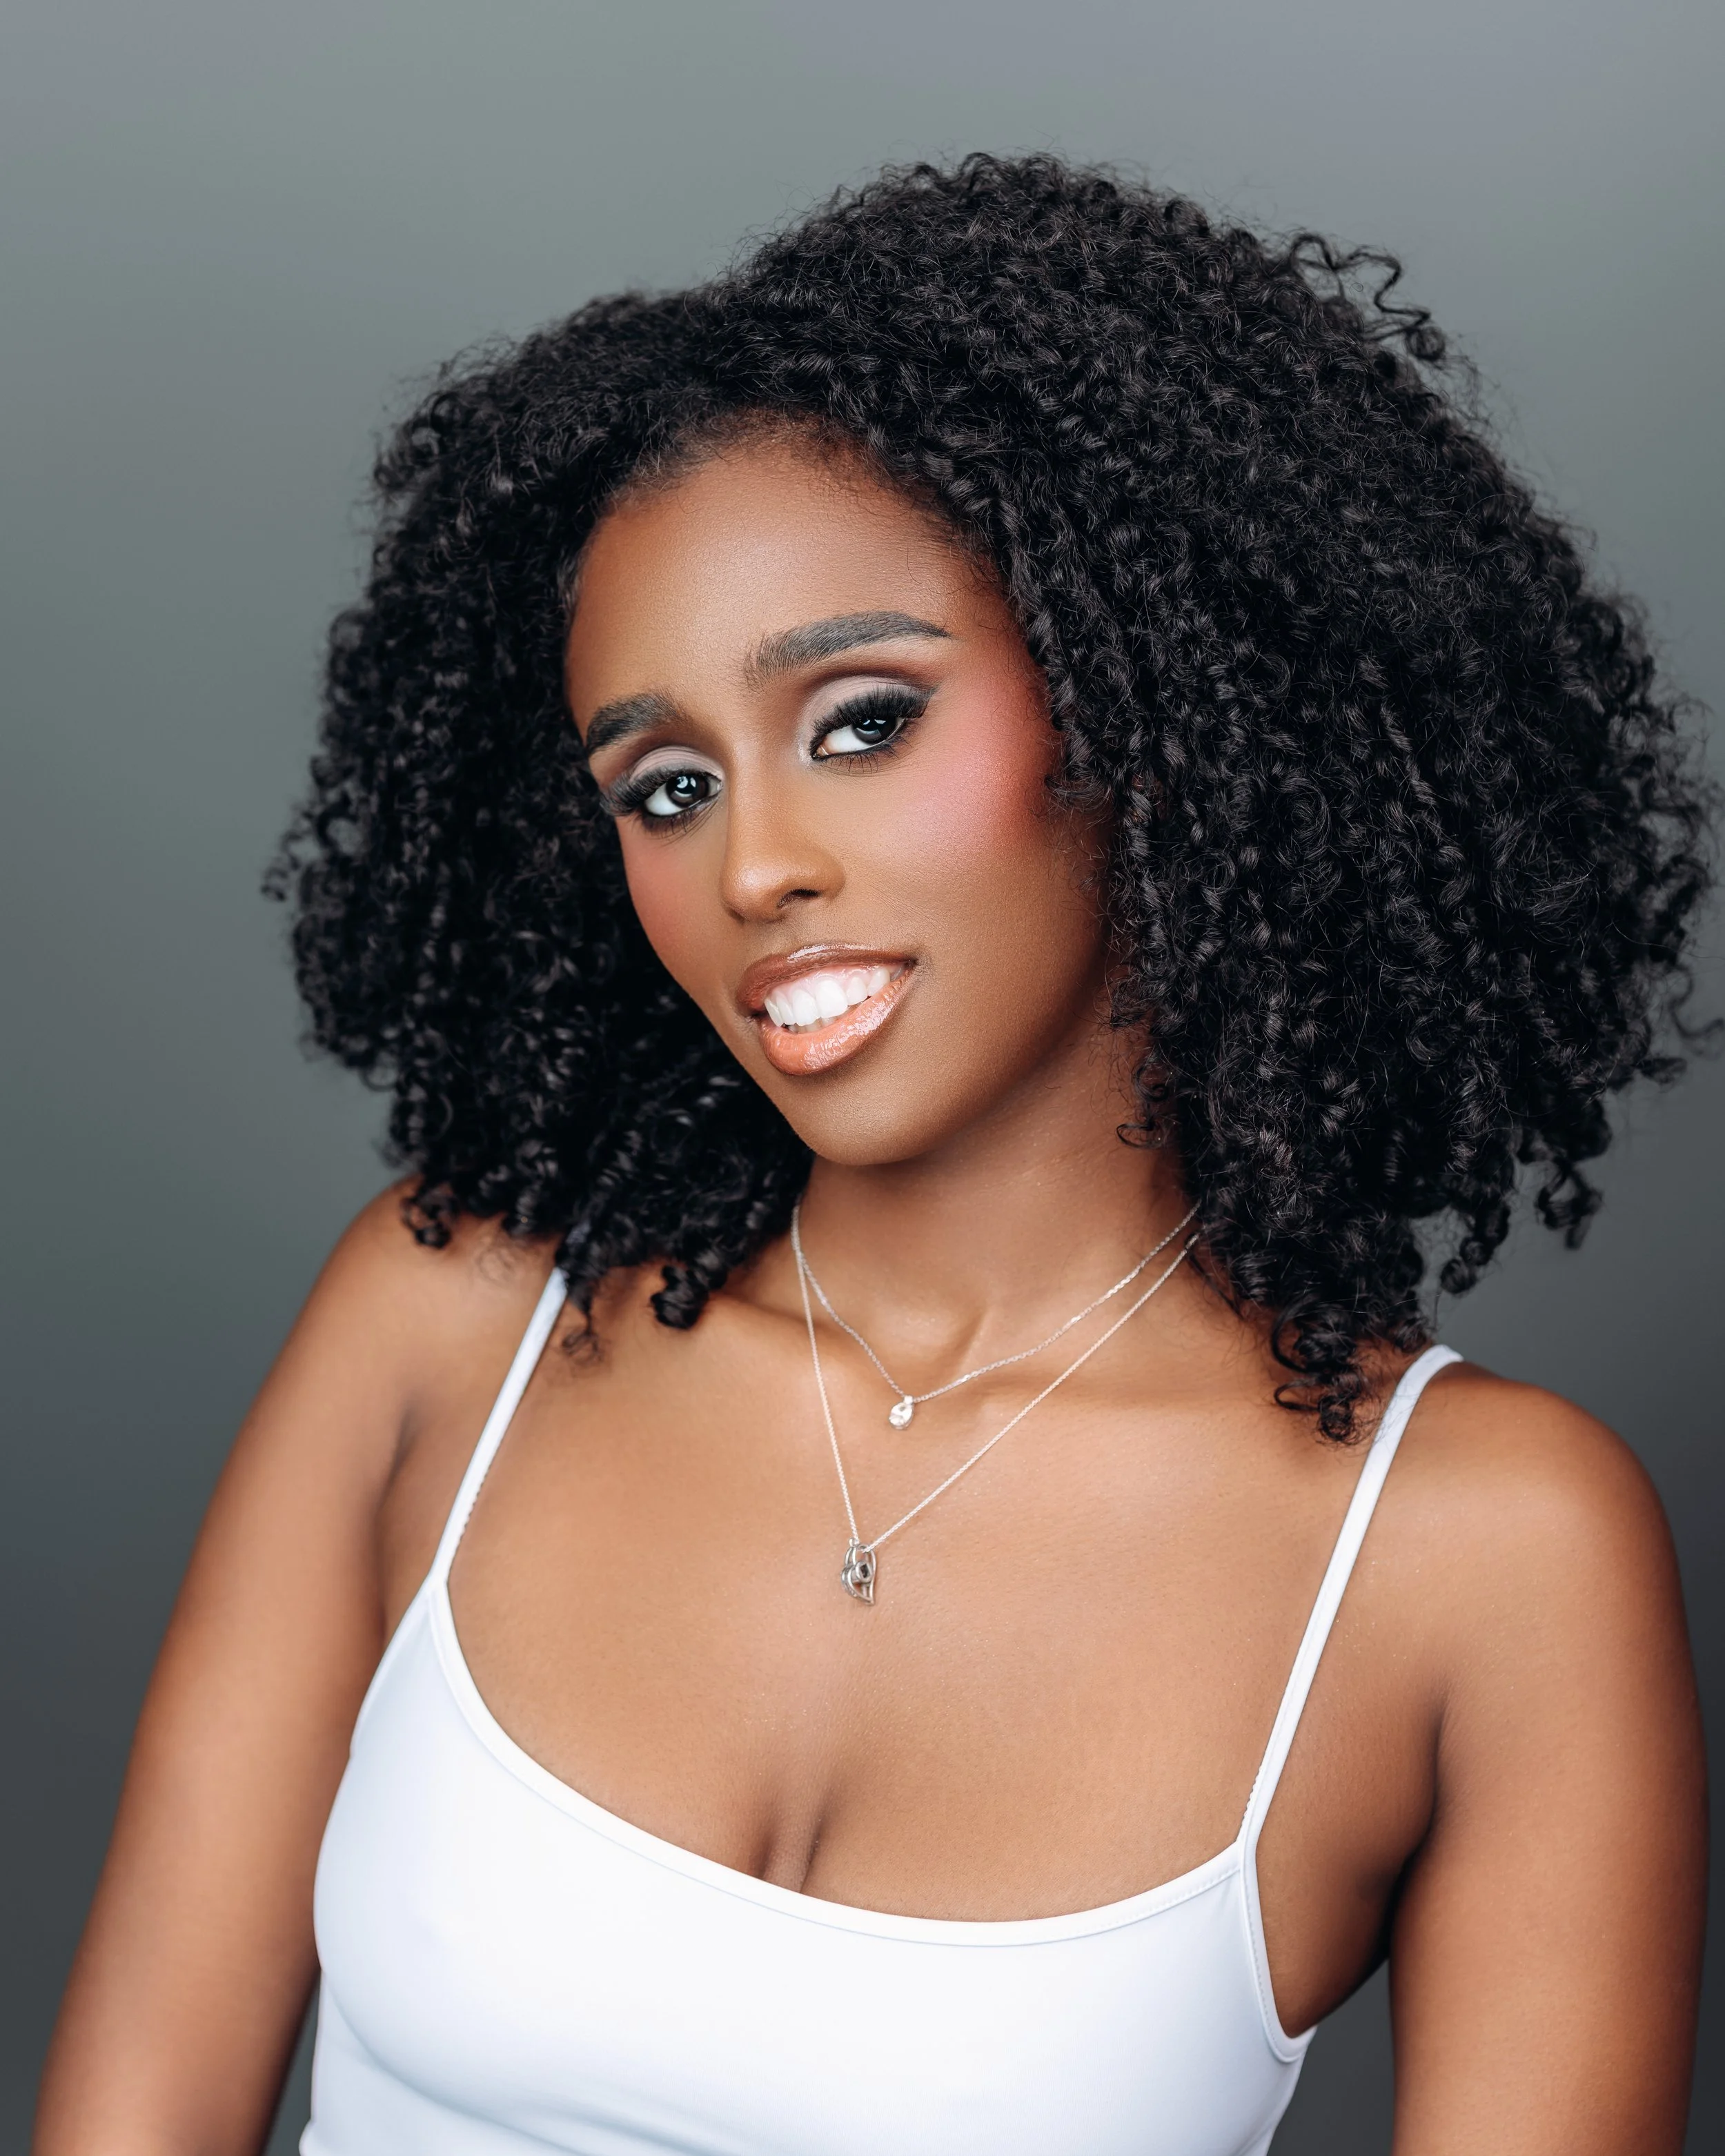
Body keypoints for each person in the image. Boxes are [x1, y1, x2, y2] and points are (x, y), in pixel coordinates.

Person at [35, 155, 1710, 2156]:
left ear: (1148, 696)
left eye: (859, 720)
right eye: (664, 785)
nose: (753, 867)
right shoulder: (447, 1329)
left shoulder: (1481, 1550)